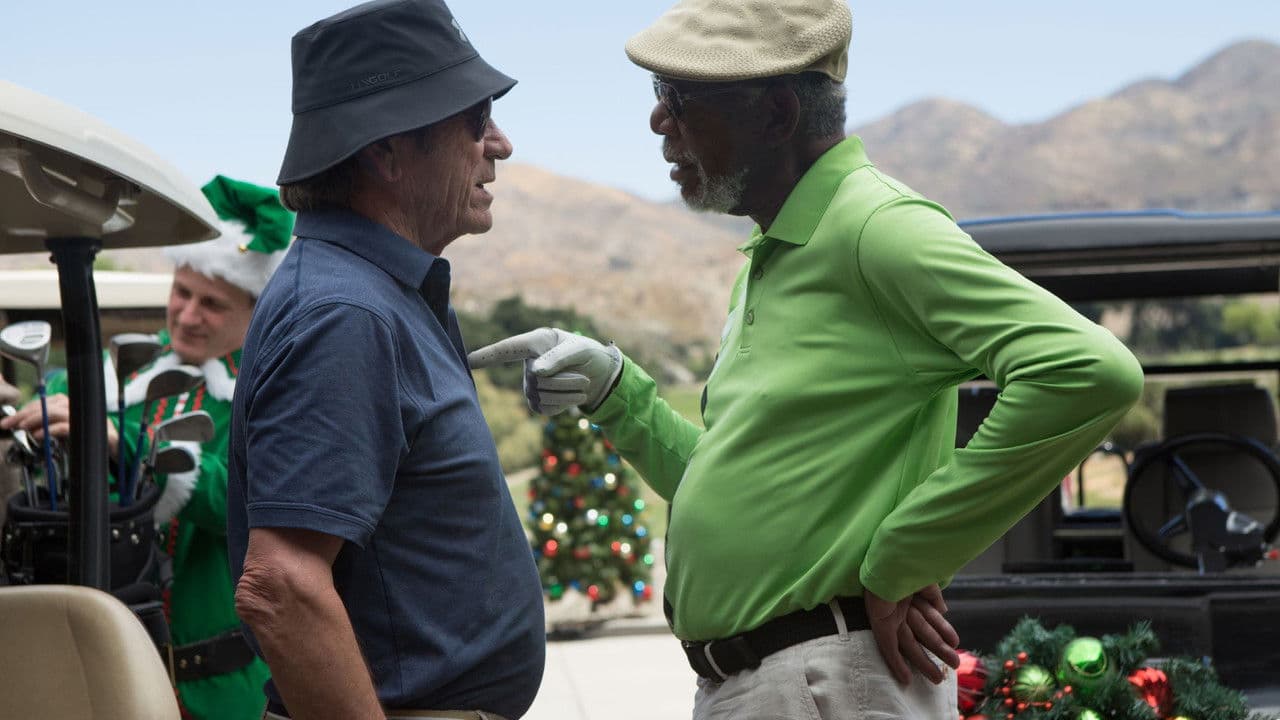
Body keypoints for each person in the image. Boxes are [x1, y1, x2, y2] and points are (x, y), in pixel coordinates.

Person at [467, 0, 1146, 717]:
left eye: (680, 98)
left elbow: (1087, 372)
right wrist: (617, 394)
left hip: (828, 679)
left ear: (777, 114)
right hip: (780, 681)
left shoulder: (874, 226)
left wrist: (904, 557)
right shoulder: (776, 254)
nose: (659, 120)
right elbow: (734, 485)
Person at [225, 2, 544, 719]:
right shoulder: (346, 312)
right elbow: (281, 585)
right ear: (387, 153)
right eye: (476, 119)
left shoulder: (374, 294)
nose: (500, 144)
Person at [0, 175, 291, 719]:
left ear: (256, 311)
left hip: (221, 694)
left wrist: (118, 441)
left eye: (212, 303)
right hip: (106, 673)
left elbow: (242, 501)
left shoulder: (269, 393)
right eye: (182, 292)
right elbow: (56, 400)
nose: (187, 315)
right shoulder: (123, 370)